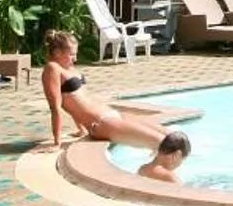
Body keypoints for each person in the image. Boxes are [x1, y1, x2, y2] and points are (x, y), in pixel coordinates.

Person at [42, 30, 192, 156]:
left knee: (171, 136)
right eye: (71, 54)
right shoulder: (52, 68)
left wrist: (80, 129)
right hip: (100, 124)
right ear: (56, 52)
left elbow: (76, 100)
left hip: (111, 114)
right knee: (165, 144)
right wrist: (57, 142)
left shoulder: (69, 68)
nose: (75, 58)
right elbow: (56, 107)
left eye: (75, 54)